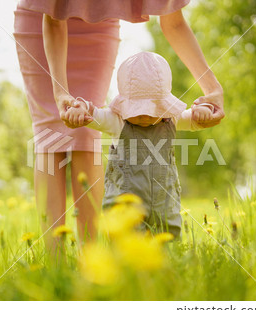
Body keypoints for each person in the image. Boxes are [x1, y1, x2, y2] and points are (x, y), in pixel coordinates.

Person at [13, 0, 224, 250]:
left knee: (85, 137)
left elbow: (174, 20)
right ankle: (53, 260)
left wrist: (211, 91)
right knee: (50, 132)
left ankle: (92, 255)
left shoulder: (166, 118)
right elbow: (54, 17)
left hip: (99, 25)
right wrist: (61, 93)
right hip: (43, 20)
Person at [69, 51, 214, 237]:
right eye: (137, 110)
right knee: (127, 252)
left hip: (165, 205)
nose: (145, 115)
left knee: (168, 245)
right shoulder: (117, 122)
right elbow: (94, 115)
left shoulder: (172, 119)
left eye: (153, 108)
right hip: (126, 209)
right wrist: (79, 110)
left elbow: (194, 119)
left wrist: (204, 111)